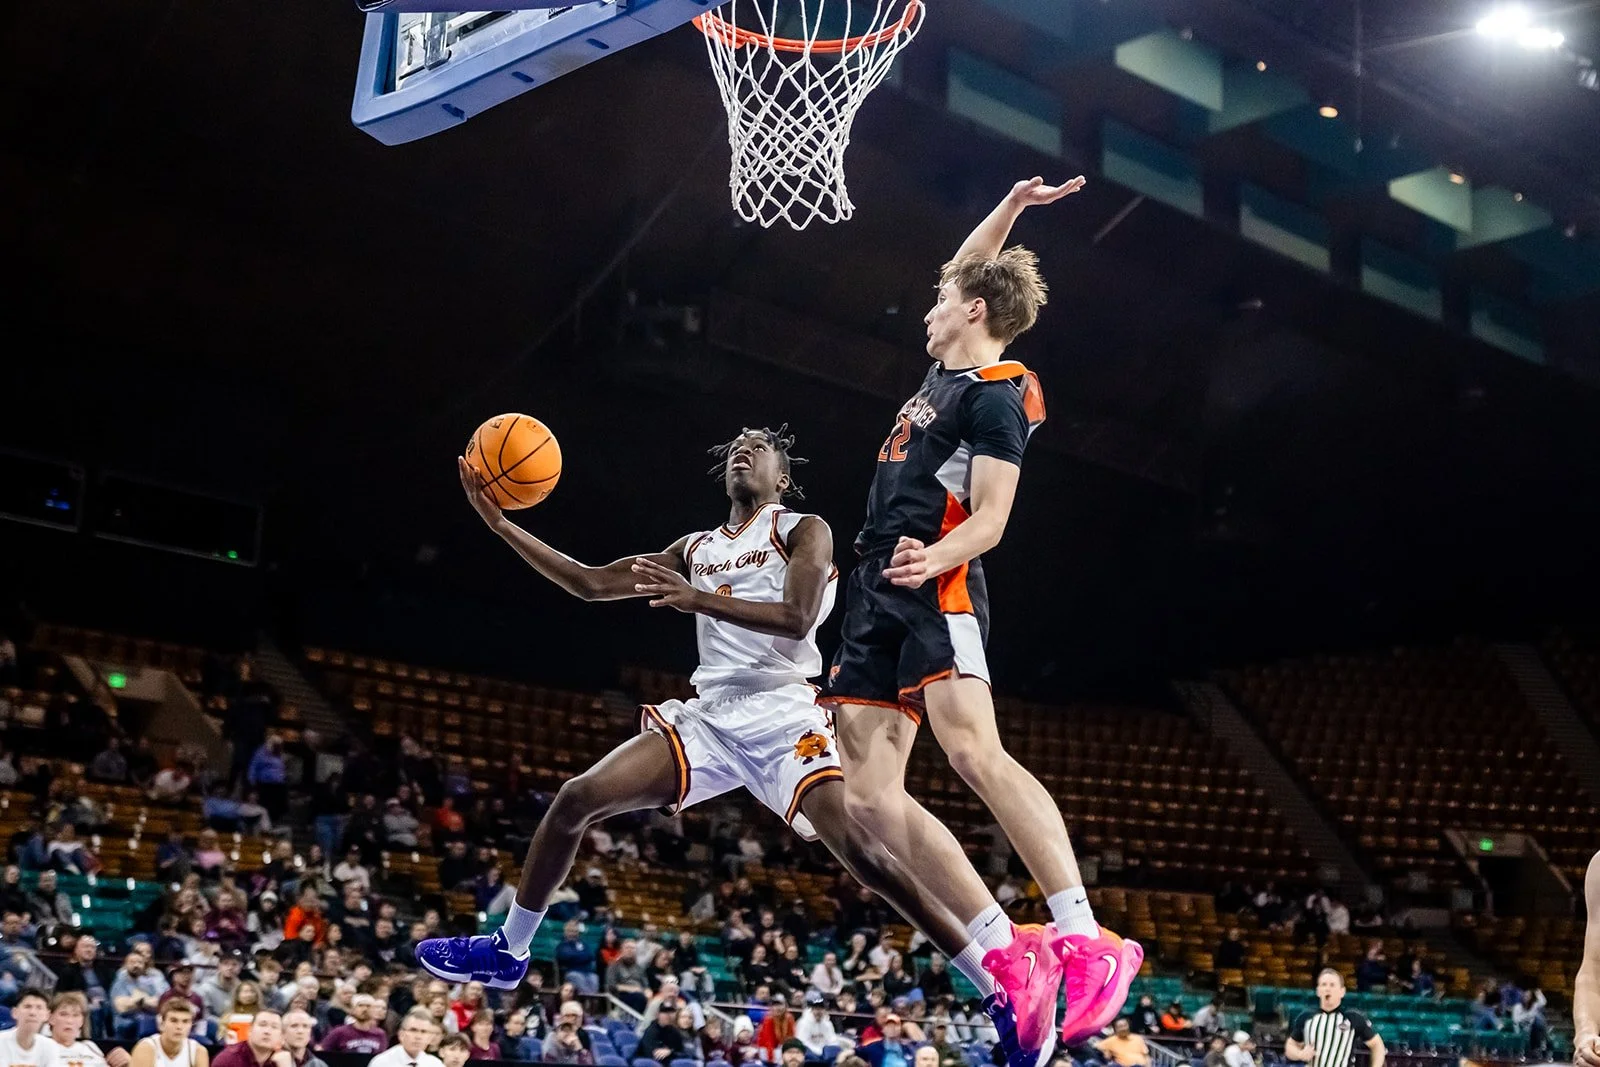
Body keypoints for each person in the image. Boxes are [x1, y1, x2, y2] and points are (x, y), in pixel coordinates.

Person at [418, 433, 972, 1002]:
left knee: (865, 857)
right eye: (736, 443)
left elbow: (796, 615)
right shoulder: (696, 547)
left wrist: (698, 600)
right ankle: (508, 951)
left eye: (759, 446)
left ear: (782, 476)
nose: (744, 448)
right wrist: (501, 526)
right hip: (710, 718)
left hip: (784, 713)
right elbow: (589, 583)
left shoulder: (803, 529)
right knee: (575, 798)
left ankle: (991, 981)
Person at [817, 175, 1138, 1060]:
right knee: (872, 802)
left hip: (936, 584)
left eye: (941, 301)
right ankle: (1008, 950)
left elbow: (994, 517)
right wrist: (1010, 206)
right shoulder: (944, 368)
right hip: (873, 590)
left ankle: (1084, 931)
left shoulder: (998, 390)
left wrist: (938, 559)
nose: (929, 306)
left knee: (971, 749)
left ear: (970, 311)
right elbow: (968, 265)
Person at [1285, 970, 1384, 1067]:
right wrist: (1300, 1054)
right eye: (1324, 984)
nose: (1327, 988)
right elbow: (1290, 1046)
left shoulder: (1352, 1017)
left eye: (1332, 985)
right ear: (1318, 991)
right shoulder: (1306, 1017)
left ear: (1342, 991)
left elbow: (1377, 1045)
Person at [49, 991, 133, 1067]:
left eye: (76, 1015)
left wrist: (129, 1063)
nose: (70, 1021)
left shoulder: (90, 1047)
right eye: (63, 1014)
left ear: (82, 1021)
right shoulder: (42, 1046)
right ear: (50, 1018)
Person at [129, 1001, 210, 1067]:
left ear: (191, 1026)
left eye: (185, 1021)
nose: (179, 1027)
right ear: (162, 1023)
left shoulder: (198, 1051)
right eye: (173, 1020)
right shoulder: (146, 1048)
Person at [3, 989, 62, 1067]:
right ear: (15, 1012)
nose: (32, 1013)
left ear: (47, 1015)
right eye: (27, 1007)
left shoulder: (50, 1046)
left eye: (39, 1008)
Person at [211, 1012, 294, 1067]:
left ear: (282, 1036)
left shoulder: (284, 1059)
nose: (267, 1031)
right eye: (262, 1025)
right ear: (250, 1030)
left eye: (274, 1027)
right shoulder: (228, 1059)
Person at [319, 992, 390, 1055]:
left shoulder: (380, 1034)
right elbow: (323, 1053)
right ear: (352, 1009)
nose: (364, 1009)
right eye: (360, 1005)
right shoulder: (339, 1032)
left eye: (368, 1006)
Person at [370, 1010, 447, 1067]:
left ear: (429, 1038)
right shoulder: (382, 1062)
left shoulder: (435, 1064)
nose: (418, 1036)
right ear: (401, 1034)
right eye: (413, 1030)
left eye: (423, 1032)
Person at [795, 992, 838, 1059]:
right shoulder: (803, 1023)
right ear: (812, 1009)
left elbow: (832, 1040)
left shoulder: (827, 1023)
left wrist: (827, 1051)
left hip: (825, 1054)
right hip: (810, 1054)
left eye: (821, 1009)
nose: (819, 1012)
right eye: (816, 1009)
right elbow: (802, 1042)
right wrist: (819, 1052)